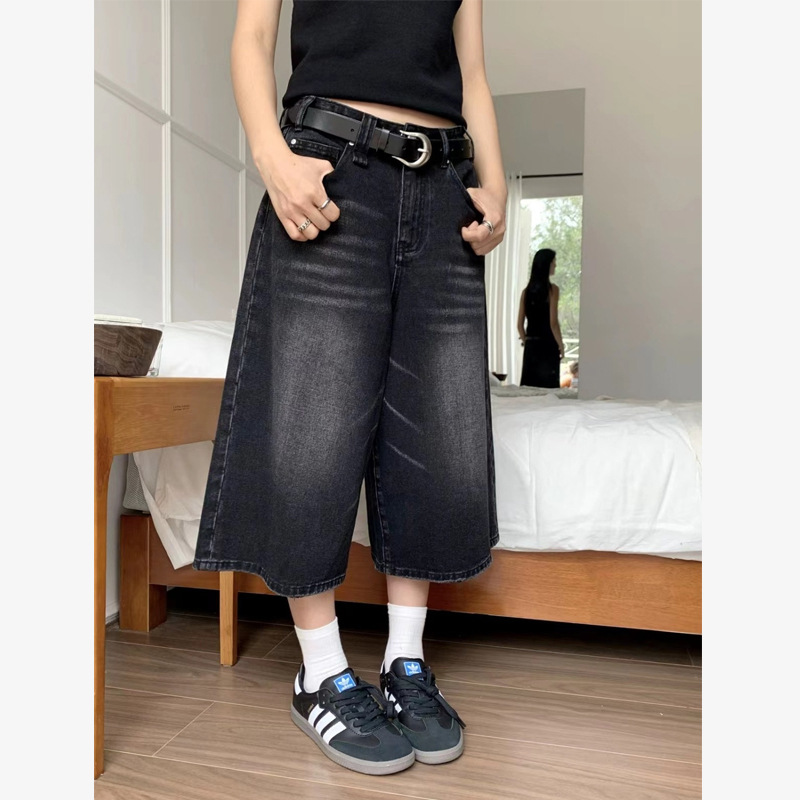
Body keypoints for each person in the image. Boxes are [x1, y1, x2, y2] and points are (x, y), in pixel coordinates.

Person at [192, 0, 507, 776]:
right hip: (331, 169)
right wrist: (272, 157)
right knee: (314, 427)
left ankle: (406, 661)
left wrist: (496, 184)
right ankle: (321, 670)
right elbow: (252, 36)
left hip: (445, 185)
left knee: (436, 433)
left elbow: (471, 71)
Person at [517, 248, 564, 387]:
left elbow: (519, 325)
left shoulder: (526, 292)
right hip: (548, 345)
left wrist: (526, 341)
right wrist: (560, 345)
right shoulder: (552, 290)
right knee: (549, 388)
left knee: (529, 388)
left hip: (531, 346)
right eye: (553, 262)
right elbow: (553, 323)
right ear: (546, 265)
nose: (555, 265)